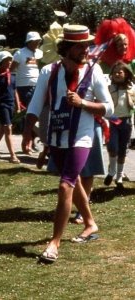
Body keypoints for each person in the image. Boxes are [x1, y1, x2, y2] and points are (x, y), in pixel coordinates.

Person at [22, 24, 114, 263]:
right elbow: (36, 104)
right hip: (56, 136)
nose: (85, 50)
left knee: (65, 185)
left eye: (86, 45)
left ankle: (54, 243)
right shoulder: (48, 71)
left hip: (82, 137)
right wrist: (27, 131)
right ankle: (90, 223)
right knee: (73, 183)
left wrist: (83, 103)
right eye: (80, 46)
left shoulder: (93, 72)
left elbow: (110, 108)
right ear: (67, 48)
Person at [104, 61, 135, 190]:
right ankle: (111, 172)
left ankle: (119, 177)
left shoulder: (131, 88)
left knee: (122, 150)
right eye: (115, 72)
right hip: (113, 121)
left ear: (126, 74)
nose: (117, 74)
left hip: (127, 122)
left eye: (120, 72)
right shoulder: (109, 88)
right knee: (113, 147)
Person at [10, 31, 43, 153]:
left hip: (38, 85)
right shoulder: (20, 53)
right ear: (29, 42)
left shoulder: (40, 53)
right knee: (29, 114)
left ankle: (31, 142)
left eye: (38, 41)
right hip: (24, 86)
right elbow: (11, 69)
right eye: (35, 41)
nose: (37, 43)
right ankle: (27, 142)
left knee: (35, 114)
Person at [0, 50, 21, 163]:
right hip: (2, 104)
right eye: (7, 60)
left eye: (10, 60)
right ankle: (13, 155)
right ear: (1, 62)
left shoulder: (13, 75)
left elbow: (15, 90)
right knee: (8, 128)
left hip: (11, 103)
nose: (10, 62)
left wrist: (18, 105)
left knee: (3, 128)